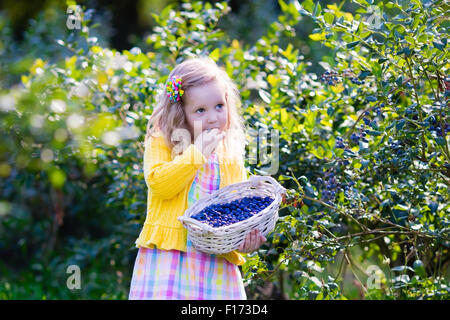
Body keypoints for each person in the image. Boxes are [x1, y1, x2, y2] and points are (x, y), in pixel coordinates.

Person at [128, 56, 267, 300]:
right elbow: (160, 185)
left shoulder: (230, 154)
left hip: (216, 268)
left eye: (219, 106)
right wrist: (197, 153)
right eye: (200, 110)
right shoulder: (162, 139)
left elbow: (234, 213)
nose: (213, 117)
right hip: (168, 263)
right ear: (181, 112)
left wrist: (244, 240)